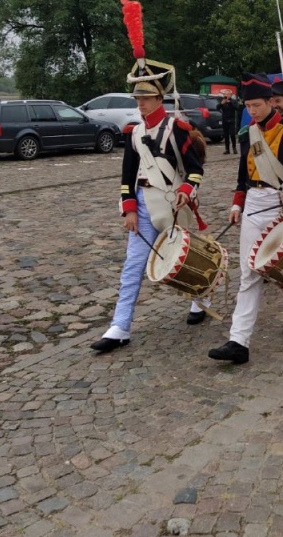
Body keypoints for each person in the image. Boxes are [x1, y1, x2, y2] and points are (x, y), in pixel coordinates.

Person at [91, 58, 207, 353]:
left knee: (186, 259)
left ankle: (199, 299)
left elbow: (194, 170)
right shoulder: (134, 133)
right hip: (143, 205)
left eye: (145, 98)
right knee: (132, 266)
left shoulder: (177, 128)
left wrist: (186, 190)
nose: (140, 103)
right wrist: (128, 208)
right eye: (138, 98)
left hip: (172, 204)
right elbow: (127, 176)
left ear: (159, 98)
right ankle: (120, 326)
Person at [208, 74, 283, 365]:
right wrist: (236, 205)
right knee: (249, 273)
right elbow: (242, 179)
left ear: (271, 102)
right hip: (254, 205)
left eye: (256, 105)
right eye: (248, 106)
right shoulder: (246, 135)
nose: (252, 111)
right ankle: (238, 341)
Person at [218, 90, 238, 154]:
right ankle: (227, 149)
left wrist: (230, 102)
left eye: (227, 94)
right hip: (225, 120)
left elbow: (237, 108)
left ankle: (234, 148)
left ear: (230, 95)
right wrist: (221, 103)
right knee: (226, 135)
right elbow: (217, 107)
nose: (226, 96)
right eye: (225, 94)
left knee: (232, 134)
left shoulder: (233, 101)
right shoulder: (223, 101)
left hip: (231, 120)